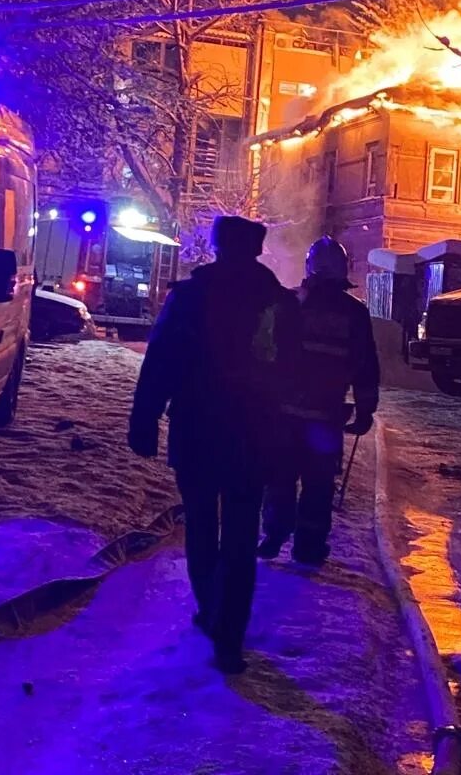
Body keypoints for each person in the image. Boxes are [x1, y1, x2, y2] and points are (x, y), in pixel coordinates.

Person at [128, 216, 298, 674]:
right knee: (242, 534)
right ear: (256, 250)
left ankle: (210, 608)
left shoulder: (190, 297)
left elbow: (161, 359)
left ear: (218, 247)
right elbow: (294, 374)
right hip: (254, 435)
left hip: (199, 430)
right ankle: (230, 634)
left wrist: (144, 419)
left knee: (202, 524)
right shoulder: (278, 303)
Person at [259, 235, 380, 566]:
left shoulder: (290, 304)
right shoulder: (354, 314)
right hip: (325, 418)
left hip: (283, 415)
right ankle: (308, 548)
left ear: (310, 268)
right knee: (318, 484)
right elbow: (365, 365)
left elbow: (266, 354)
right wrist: (366, 409)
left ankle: (273, 534)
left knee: (279, 476)